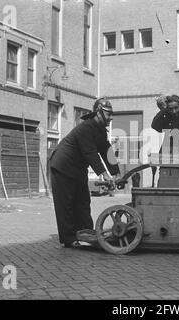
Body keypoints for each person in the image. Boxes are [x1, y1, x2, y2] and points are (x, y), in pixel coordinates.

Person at [49, 98, 120, 248]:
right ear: (99, 112)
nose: (111, 117)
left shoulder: (100, 130)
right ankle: (68, 238)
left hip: (77, 169)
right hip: (63, 167)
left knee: (82, 202)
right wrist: (105, 175)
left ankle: (86, 234)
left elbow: (106, 150)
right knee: (66, 205)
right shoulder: (86, 128)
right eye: (109, 114)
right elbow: (90, 154)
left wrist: (116, 173)